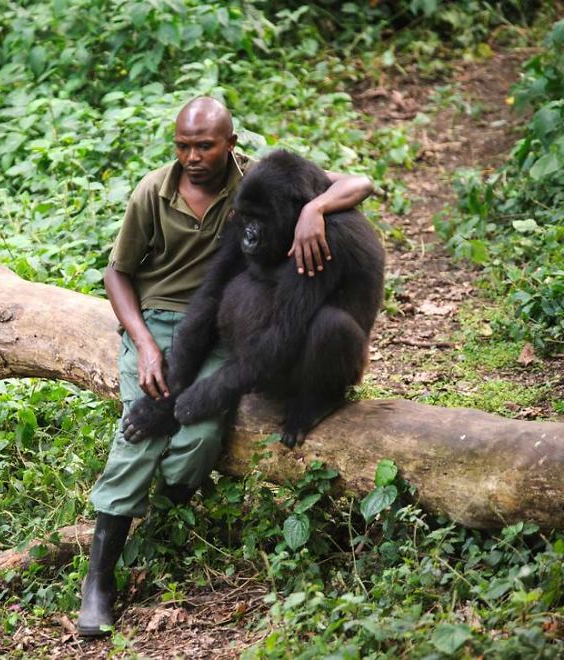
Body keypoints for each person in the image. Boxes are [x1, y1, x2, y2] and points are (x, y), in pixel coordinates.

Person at [77, 97, 374, 637]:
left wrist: (315, 211)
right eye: (183, 145)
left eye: (205, 144)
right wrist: (158, 372)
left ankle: (314, 404)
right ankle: (99, 577)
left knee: (202, 428)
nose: (251, 232)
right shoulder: (211, 194)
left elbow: (278, 345)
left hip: (316, 355)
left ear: (229, 146)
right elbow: (208, 299)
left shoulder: (312, 231)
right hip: (167, 324)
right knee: (142, 431)